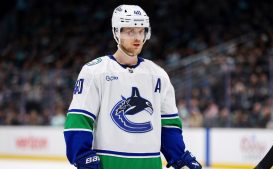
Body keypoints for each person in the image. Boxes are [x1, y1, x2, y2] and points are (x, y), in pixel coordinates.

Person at [64, 4, 202, 169]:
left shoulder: (158, 75)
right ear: (117, 32)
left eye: (141, 31)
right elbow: (78, 120)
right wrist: (82, 156)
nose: (137, 37)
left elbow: (168, 125)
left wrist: (180, 157)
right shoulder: (95, 72)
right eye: (130, 31)